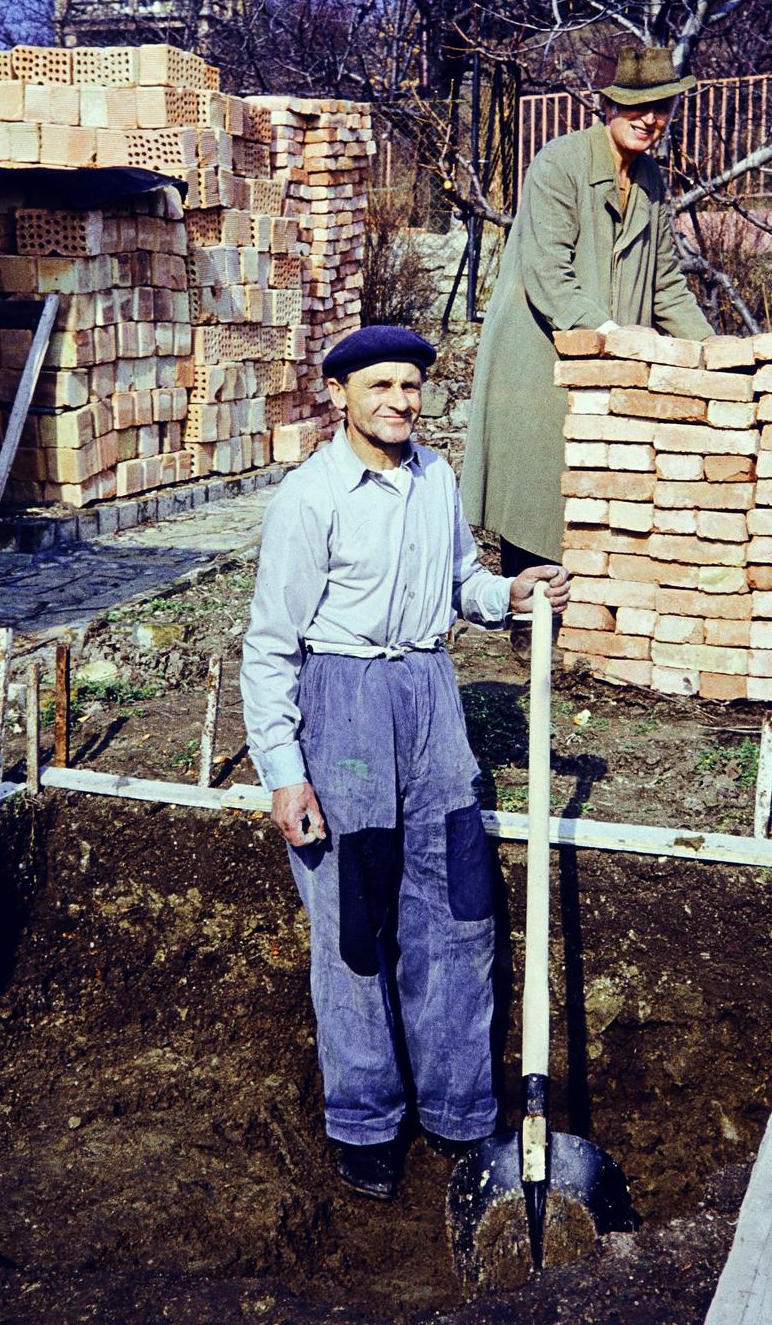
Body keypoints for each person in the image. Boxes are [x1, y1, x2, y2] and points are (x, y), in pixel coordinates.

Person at [239, 325, 570, 1202]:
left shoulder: (435, 479)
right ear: (338, 395)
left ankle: (458, 1111)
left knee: (456, 906)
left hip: (431, 699)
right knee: (355, 923)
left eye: (410, 386)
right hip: (343, 706)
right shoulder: (310, 498)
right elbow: (269, 646)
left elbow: (460, 583)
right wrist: (284, 771)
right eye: (379, 385)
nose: (398, 401)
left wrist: (510, 594)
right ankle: (365, 1120)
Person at [461, 45, 713, 573]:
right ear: (610, 106)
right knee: (539, 501)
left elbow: (666, 285)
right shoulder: (561, 163)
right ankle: (529, 612)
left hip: (607, 365)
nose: (649, 120)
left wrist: (713, 349)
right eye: (637, 107)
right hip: (540, 359)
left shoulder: (651, 180)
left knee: (598, 504)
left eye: (661, 108)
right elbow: (548, 274)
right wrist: (612, 333)